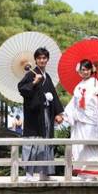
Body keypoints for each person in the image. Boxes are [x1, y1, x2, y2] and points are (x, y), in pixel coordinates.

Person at [17, 47, 64, 181]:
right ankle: (29, 174)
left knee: (46, 141)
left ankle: (44, 173)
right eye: (39, 58)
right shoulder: (31, 75)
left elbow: (53, 96)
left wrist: (58, 113)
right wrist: (34, 82)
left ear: (47, 60)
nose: (42, 60)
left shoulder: (47, 77)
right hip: (34, 115)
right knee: (33, 142)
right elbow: (22, 89)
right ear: (35, 60)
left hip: (46, 114)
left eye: (44, 58)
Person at [63, 59, 98, 180]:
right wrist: (66, 114)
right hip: (80, 119)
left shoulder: (95, 83)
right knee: (80, 145)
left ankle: (92, 172)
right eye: (82, 70)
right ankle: (82, 172)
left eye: (87, 69)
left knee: (90, 145)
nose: (84, 72)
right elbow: (74, 102)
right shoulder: (79, 85)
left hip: (91, 119)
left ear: (91, 70)